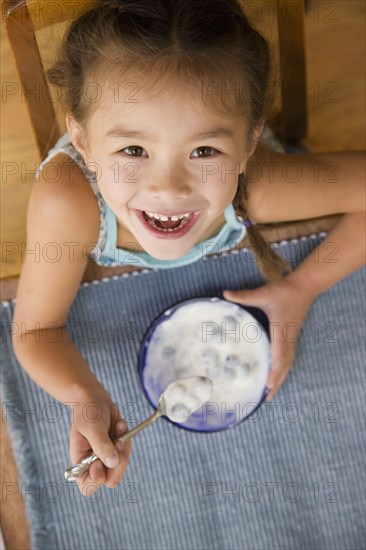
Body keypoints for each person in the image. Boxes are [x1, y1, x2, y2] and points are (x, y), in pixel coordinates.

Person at [12, 0, 365, 496]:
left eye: (204, 151)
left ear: (247, 145)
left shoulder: (258, 185)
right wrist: (84, 395)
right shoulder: (67, 202)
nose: (169, 188)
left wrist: (302, 288)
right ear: (83, 142)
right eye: (133, 150)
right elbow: (35, 329)